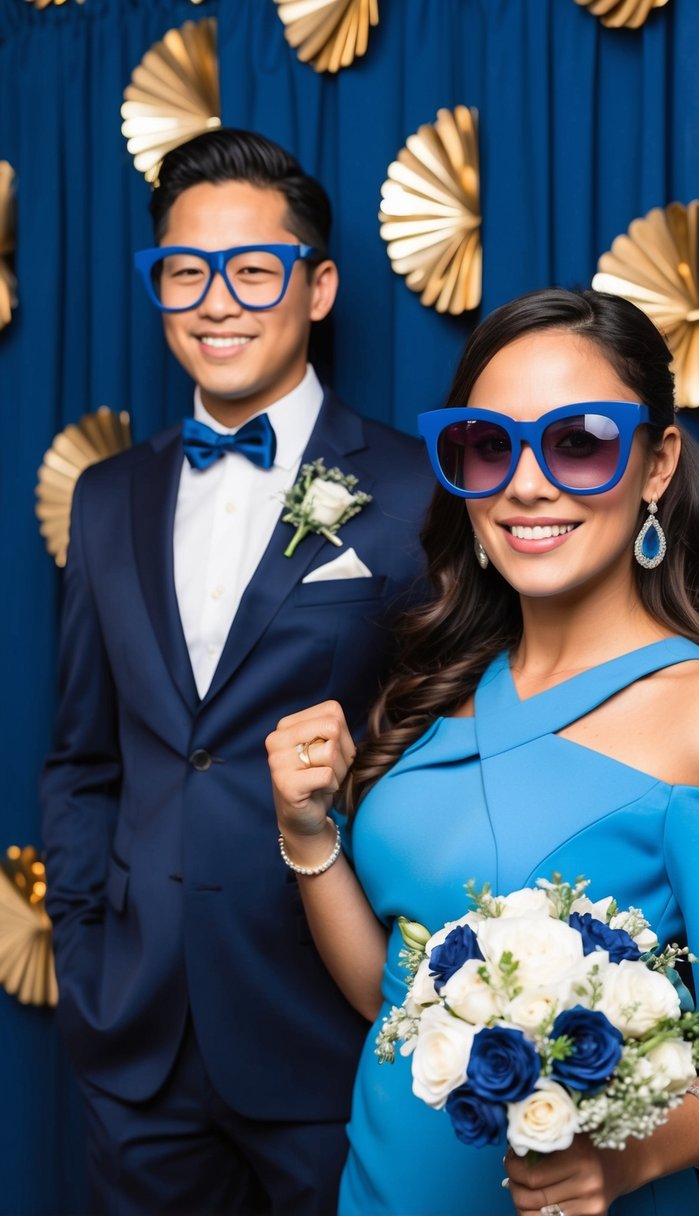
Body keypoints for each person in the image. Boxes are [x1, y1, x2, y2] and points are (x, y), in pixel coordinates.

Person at [268, 287, 699, 1216]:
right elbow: (393, 1005)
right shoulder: (445, 684)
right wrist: (306, 834)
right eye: (489, 445)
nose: (527, 482)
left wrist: (630, 1162)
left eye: (579, 440)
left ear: (656, 464)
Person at [40, 128, 432, 1216]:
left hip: (323, 1019)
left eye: (253, 269)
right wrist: (86, 950)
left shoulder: (410, 492)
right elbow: (82, 753)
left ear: (318, 287)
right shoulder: (108, 495)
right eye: (184, 271)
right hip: (136, 1037)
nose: (217, 301)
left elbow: (440, 755)